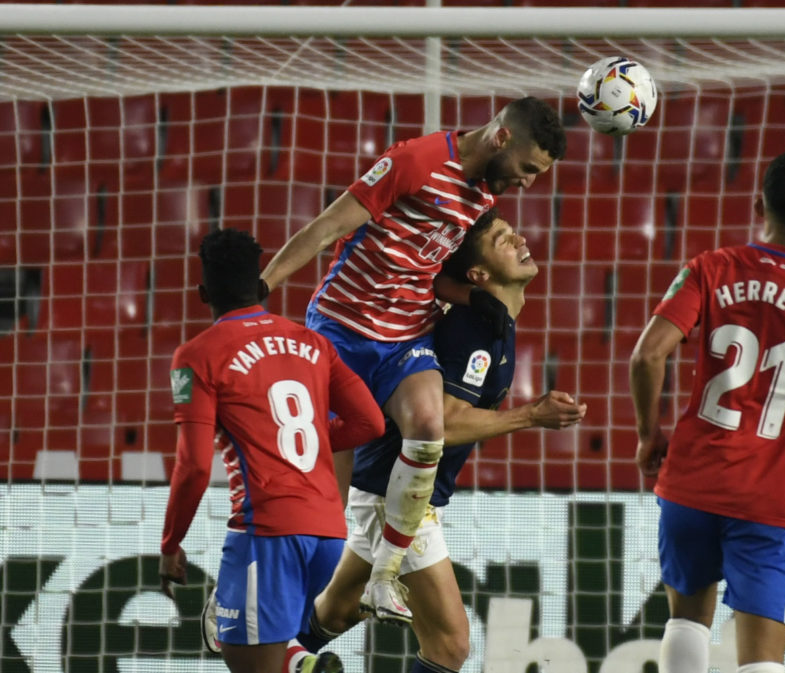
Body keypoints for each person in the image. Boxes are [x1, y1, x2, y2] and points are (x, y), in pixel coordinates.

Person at [260, 97, 566, 624]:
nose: (528, 184)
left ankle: (385, 577)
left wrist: (475, 299)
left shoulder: (482, 194)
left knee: (428, 426)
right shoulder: (415, 163)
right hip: (344, 330)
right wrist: (259, 288)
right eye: (528, 170)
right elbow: (327, 228)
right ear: (501, 139)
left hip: (406, 334)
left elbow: (428, 265)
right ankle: (245, 603)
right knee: (324, 511)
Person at [287, 208, 587, 673]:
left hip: (391, 486)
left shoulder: (492, 322)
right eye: (503, 239)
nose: (520, 239)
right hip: (399, 495)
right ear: (478, 273)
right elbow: (442, 424)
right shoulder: (473, 329)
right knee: (450, 647)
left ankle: (265, 658)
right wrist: (532, 415)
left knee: (336, 610)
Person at [629, 150, 785, 673]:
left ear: (757, 203)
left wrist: (647, 434)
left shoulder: (710, 268)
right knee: (762, 662)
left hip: (690, 481)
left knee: (684, 623)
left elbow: (647, 354)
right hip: (765, 497)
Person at [159, 228, 385, 673]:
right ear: (260, 286)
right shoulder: (313, 343)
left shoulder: (198, 356)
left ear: (203, 293)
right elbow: (370, 422)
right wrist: (315, 442)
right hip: (327, 535)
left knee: (246, 663)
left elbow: (193, 467)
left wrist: (171, 543)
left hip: (266, 532)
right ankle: (303, 666)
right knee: (281, 655)